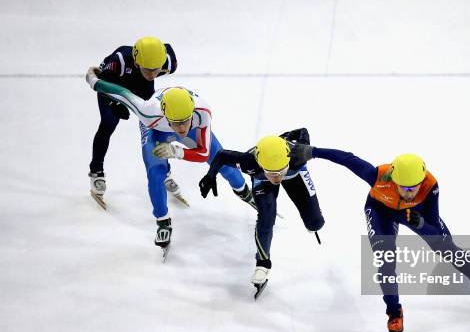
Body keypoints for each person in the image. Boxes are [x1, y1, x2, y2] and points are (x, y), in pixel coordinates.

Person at [288, 145, 470, 332]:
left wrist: (420, 224)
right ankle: (394, 312)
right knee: (386, 261)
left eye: (412, 188)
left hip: (419, 216)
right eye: (402, 187)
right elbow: (348, 159)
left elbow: (434, 228)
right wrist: (312, 152)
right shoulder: (379, 175)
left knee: (449, 249)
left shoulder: (431, 186)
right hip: (380, 212)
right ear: (393, 179)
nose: (407, 192)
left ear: (421, 181)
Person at [85, 68, 254, 252]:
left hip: (185, 125)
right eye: (176, 122)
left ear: (192, 114)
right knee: (155, 173)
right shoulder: (148, 111)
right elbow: (122, 94)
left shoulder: (202, 112)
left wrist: (176, 151)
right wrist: (93, 80)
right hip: (156, 129)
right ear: (166, 115)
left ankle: (244, 191)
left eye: (185, 121)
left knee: (223, 162)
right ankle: (162, 221)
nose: (181, 128)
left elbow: (204, 153)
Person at [198, 129, 324, 296]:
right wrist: (210, 175)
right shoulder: (249, 161)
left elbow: (303, 131)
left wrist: (290, 139)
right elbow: (221, 156)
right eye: (273, 174)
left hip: (294, 172)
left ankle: (311, 218)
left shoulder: (298, 155)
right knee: (266, 215)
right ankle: (262, 264)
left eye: (280, 172)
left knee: (315, 223)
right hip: (261, 178)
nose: (277, 178)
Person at [88, 36, 179, 207]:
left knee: (155, 126)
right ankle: (96, 171)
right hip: (112, 85)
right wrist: (114, 103)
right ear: (137, 62)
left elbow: (165, 52)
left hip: (141, 87)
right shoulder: (119, 61)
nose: (152, 75)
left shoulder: (168, 62)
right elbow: (100, 84)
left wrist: (148, 74)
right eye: (148, 69)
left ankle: (164, 171)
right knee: (108, 124)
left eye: (156, 70)